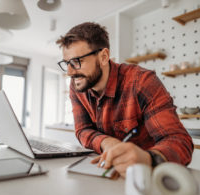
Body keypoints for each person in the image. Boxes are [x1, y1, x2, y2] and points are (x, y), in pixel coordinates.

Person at [56, 22, 193, 178]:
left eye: (76, 62)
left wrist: (149, 159)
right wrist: (107, 142)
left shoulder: (141, 81)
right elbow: (82, 129)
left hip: (147, 178)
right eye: (66, 63)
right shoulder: (78, 86)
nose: (69, 72)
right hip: (105, 173)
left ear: (103, 56)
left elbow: (179, 140)